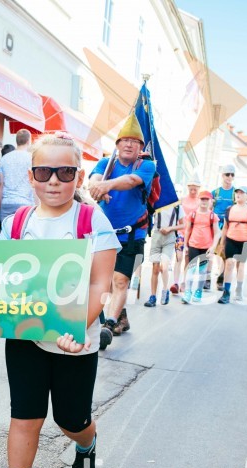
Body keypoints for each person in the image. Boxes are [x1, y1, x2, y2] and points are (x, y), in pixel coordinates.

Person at [0, 134, 118, 468]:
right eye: (44, 171)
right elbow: (0, 281)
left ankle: (87, 443)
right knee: (24, 418)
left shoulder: (91, 219)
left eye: (65, 172)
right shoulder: (16, 223)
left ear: (77, 175)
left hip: (75, 342)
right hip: (26, 339)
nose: (54, 181)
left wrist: (77, 327)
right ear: (31, 176)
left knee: (70, 418)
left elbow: (103, 286)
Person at [88, 113, 155, 336]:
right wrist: (98, 185)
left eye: (134, 141)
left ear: (140, 147)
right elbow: (94, 180)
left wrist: (106, 186)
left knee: (120, 279)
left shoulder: (146, 165)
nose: (128, 144)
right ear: (117, 145)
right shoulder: (106, 164)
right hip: (105, 234)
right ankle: (122, 316)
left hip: (133, 235)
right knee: (105, 282)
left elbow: (131, 181)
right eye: (124, 140)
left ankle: (109, 324)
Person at [218, 186, 247, 304]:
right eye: (237, 192)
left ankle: (239, 290)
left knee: (240, 266)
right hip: (231, 239)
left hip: (246, 242)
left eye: (242, 193)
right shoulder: (229, 209)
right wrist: (222, 244)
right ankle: (226, 292)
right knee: (229, 263)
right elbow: (225, 227)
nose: (238, 194)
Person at [181, 190, 221, 303]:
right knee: (191, 270)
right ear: (198, 200)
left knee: (202, 271)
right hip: (193, 245)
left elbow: (218, 232)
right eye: (202, 199)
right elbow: (187, 230)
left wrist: (213, 247)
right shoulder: (192, 214)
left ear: (210, 201)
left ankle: (198, 292)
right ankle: (188, 292)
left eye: (206, 199)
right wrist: (186, 245)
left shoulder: (213, 216)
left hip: (206, 247)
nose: (204, 201)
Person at [144, 203, 182, 306]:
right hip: (156, 236)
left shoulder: (177, 206)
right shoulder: (156, 204)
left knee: (164, 267)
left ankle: (165, 290)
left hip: (170, 238)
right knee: (155, 268)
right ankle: (153, 296)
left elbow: (183, 224)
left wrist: (170, 228)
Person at [171, 175, 201, 295]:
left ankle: (184, 282)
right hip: (181, 233)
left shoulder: (200, 202)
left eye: (195, 189)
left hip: (193, 234)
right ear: (188, 188)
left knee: (188, 259)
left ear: (199, 189)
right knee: (178, 257)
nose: (193, 191)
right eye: (191, 189)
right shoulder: (182, 200)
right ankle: (176, 282)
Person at [210, 164, 237, 290]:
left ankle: (220, 278)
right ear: (222, 175)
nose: (229, 177)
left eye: (232, 174)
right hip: (215, 225)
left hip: (229, 226)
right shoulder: (215, 192)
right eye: (227, 174)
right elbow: (209, 209)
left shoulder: (235, 193)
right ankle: (207, 278)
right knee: (212, 251)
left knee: (225, 253)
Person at [0, 129, 34, 221]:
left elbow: (1, 184)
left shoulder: (4, 159)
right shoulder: (31, 158)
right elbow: (34, 183)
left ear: (16, 141)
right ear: (28, 140)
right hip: (25, 202)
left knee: (6, 233)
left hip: (6, 202)